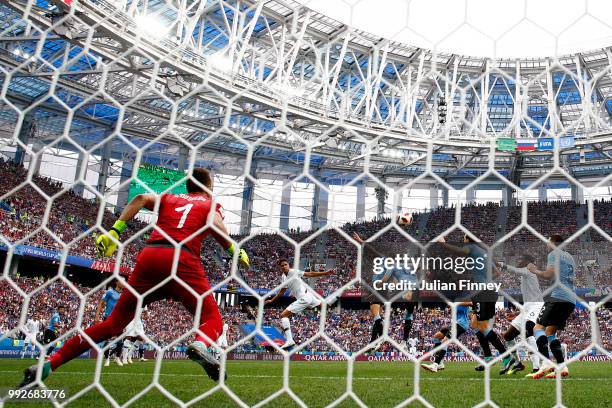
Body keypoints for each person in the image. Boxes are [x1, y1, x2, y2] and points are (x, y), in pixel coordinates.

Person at [19, 168, 249, 387]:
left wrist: (115, 231)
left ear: (188, 187)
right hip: (182, 260)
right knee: (212, 319)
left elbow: (139, 198)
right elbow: (217, 225)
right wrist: (234, 250)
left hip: (151, 257)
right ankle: (200, 344)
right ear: (208, 187)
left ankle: (50, 364)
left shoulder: (171, 198)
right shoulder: (210, 204)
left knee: (112, 325)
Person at [438, 234, 511, 372]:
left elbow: (459, 252)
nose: (463, 241)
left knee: (482, 326)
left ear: (467, 239)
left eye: (464, 238)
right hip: (489, 290)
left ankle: (506, 356)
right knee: (475, 324)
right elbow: (497, 273)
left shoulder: (471, 247)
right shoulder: (483, 252)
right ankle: (488, 358)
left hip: (483, 292)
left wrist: (443, 243)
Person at [526, 234, 576, 379]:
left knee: (537, 328)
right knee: (550, 333)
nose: (547, 244)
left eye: (548, 241)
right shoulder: (570, 257)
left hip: (558, 297)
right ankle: (562, 366)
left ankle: (546, 362)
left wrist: (534, 270)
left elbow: (548, 275)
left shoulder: (554, 253)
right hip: (570, 299)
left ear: (553, 242)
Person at [265, 259, 334, 350]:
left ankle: (289, 340)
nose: (284, 266)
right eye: (282, 265)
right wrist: (272, 300)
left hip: (304, 298)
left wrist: (325, 273)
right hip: (308, 296)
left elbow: (309, 274)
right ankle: (339, 294)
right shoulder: (283, 277)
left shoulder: (294, 272)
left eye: (286, 264)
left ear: (288, 265)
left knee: (283, 315)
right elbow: (282, 291)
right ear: (280, 267)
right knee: (325, 306)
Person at [497, 254, 543, 375]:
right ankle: (518, 363)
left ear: (528, 262)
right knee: (507, 336)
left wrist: (501, 264)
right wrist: (518, 313)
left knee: (528, 332)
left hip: (537, 305)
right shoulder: (525, 274)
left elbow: (515, 270)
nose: (519, 260)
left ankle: (536, 367)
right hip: (527, 308)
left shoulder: (529, 269)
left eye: (521, 259)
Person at [420, 303, 471, 373]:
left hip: (462, 324)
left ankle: (435, 365)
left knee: (444, 341)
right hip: (455, 324)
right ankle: (440, 363)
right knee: (437, 336)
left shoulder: (464, 295)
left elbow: (471, 303)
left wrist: (457, 303)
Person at [95, 280, 123, 367]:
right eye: (121, 281)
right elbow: (101, 303)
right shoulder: (110, 292)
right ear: (117, 282)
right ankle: (107, 359)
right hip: (108, 318)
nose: (123, 283)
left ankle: (117, 357)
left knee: (120, 340)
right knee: (107, 339)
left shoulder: (124, 293)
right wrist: (97, 316)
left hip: (119, 319)